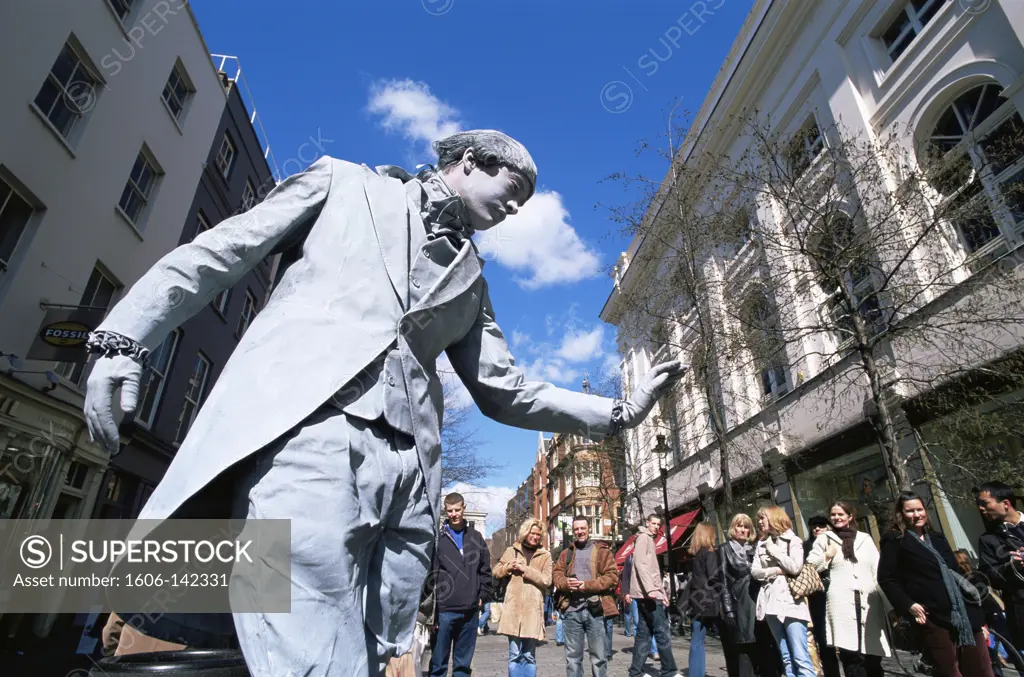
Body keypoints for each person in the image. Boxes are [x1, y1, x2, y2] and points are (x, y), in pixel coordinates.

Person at [80, 127, 687, 677]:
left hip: (408, 478)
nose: (515, 207)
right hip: (312, 429)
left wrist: (620, 410)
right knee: (304, 600)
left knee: (372, 640)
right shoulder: (342, 183)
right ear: (471, 161)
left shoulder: (472, 279)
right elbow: (223, 250)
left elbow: (505, 390)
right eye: (514, 188)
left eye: (526, 202)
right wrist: (125, 336)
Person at [877, 490, 994, 677]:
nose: (916, 515)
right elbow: (887, 579)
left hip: (964, 613)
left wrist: (980, 621)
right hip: (932, 615)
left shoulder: (938, 538)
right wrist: (909, 605)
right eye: (910, 511)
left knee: (981, 668)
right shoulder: (895, 540)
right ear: (901, 513)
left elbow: (957, 575)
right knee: (949, 670)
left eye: (920, 509)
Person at [806, 502, 890, 677]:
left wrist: (889, 606)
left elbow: (877, 570)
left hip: (869, 601)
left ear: (850, 516)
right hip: (841, 603)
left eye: (840, 514)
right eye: (834, 515)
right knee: (851, 658)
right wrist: (827, 556)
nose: (836, 518)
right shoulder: (824, 539)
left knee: (873, 656)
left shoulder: (865, 539)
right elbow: (810, 566)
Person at [427, 493, 493, 677]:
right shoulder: (438, 539)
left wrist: (483, 596)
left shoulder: (476, 537)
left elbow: (485, 569)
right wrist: (432, 614)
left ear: (463, 507)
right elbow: (431, 576)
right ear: (446, 511)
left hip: (470, 611)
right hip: (445, 611)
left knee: (463, 666)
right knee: (438, 665)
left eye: (457, 509)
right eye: (450, 511)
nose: (454, 514)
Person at [752, 506, 815, 677]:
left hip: (791, 602)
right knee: (786, 656)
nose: (759, 522)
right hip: (770, 603)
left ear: (773, 518)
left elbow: (795, 567)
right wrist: (776, 571)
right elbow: (755, 572)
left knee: (800, 657)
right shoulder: (761, 544)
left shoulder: (792, 541)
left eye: (762, 518)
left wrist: (774, 550)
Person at [553, 515, 620, 677]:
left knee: (598, 658)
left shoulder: (602, 552)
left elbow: (612, 577)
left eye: (583, 528)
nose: (579, 532)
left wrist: (587, 585)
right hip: (571, 611)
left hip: (595, 611)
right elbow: (556, 575)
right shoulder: (565, 554)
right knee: (573, 659)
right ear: (573, 530)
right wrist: (566, 583)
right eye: (576, 529)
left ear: (589, 528)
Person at [493, 519, 552, 677]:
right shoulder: (512, 550)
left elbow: (547, 580)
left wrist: (525, 569)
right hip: (513, 608)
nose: (535, 537)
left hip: (533, 610)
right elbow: (496, 571)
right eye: (532, 533)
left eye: (538, 535)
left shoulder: (545, 555)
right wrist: (508, 567)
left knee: (529, 656)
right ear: (525, 533)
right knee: (514, 655)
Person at [627, 513, 684, 677]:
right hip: (647, 594)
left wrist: (661, 592)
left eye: (658, 524)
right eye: (653, 523)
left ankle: (636, 671)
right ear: (647, 523)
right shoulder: (644, 538)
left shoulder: (647, 539)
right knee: (662, 631)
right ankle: (669, 671)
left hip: (648, 593)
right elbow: (640, 564)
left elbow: (653, 571)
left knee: (644, 634)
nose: (656, 526)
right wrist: (651, 590)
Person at [973, 481, 1024, 654]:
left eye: (985, 503)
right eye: (979, 504)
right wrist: (1012, 566)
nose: (980, 509)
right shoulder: (988, 540)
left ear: (1006, 503)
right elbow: (990, 575)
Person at [719, 513, 761, 677]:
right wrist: (728, 609)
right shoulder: (725, 549)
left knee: (760, 647)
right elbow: (722, 581)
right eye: (739, 526)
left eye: (746, 526)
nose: (742, 530)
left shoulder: (755, 548)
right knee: (743, 648)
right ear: (733, 527)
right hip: (740, 605)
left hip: (757, 602)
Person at [682, 523, 722, 677]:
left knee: (696, 639)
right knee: (700, 640)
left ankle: (695, 672)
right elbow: (714, 576)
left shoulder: (697, 554)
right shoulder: (709, 553)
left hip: (696, 601)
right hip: (708, 600)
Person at [803, 515, 840, 677]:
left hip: (839, 597)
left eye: (821, 526)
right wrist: (826, 556)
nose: (817, 529)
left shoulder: (837, 542)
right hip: (817, 599)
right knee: (824, 642)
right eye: (814, 526)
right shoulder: (806, 547)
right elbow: (807, 570)